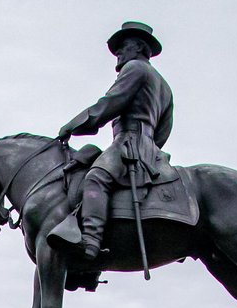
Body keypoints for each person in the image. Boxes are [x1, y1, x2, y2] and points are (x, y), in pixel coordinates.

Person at [56, 21, 175, 260]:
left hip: (129, 141)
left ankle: (90, 241)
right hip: (150, 145)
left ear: (140, 48)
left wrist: (73, 125)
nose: (118, 52)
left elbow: (110, 103)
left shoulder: (136, 68)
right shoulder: (165, 85)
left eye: (124, 47)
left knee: (96, 177)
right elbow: (165, 128)